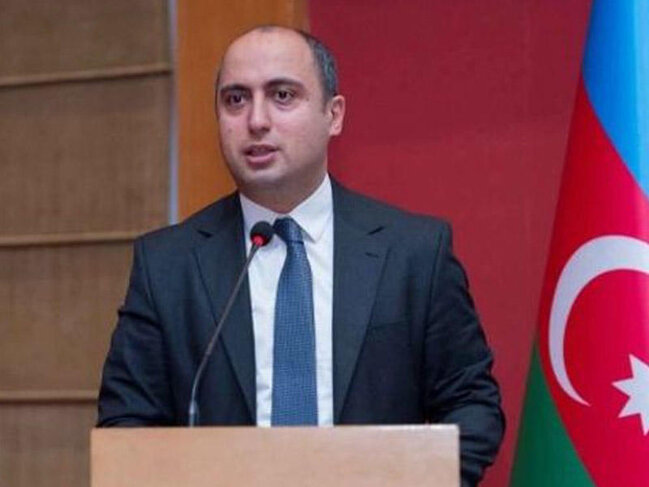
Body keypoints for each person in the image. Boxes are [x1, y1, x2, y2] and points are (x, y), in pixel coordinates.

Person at [97, 25, 504, 485]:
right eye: (236, 99)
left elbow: (472, 405)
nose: (256, 120)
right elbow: (126, 426)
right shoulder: (166, 265)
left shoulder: (414, 253)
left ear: (334, 115)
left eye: (282, 95)